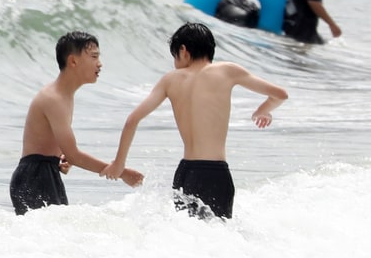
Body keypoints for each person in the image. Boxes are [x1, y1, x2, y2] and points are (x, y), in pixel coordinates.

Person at [102, 23, 287, 220]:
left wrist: (119, 164)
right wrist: (262, 111)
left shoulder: (170, 80)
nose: (175, 63)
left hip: (185, 173)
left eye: (174, 56)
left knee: (188, 238)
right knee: (217, 239)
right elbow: (280, 95)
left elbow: (132, 120)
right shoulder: (228, 71)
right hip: (214, 173)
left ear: (183, 50)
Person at [12, 32, 142, 214]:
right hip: (34, 177)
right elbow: (73, 155)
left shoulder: (65, 96)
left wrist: (57, 159)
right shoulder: (53, 98)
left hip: (45, 173)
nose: (100, 63)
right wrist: (120, 172)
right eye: (94, 57)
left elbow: (63, 152)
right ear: (73, 61)